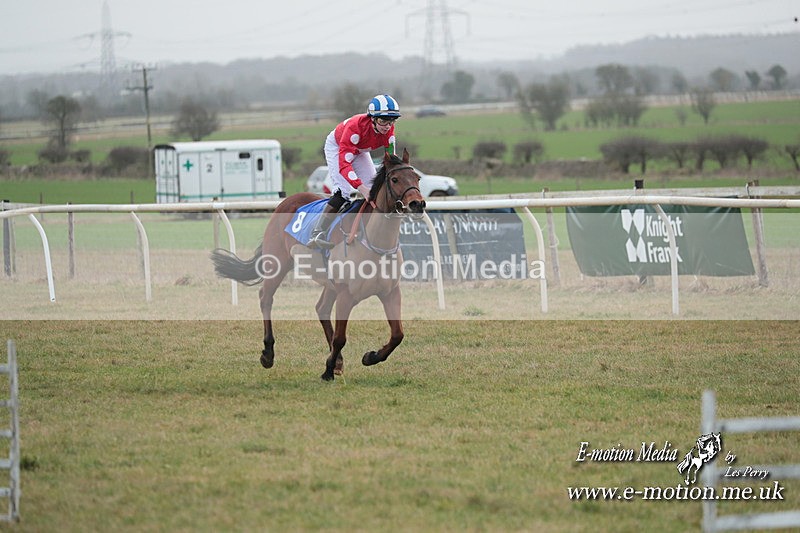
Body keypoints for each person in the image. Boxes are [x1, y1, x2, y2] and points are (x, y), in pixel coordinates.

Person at [308, 94, 401, 249]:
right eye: (383, 120)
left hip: (360, 150)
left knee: (375, 190)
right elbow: (344, 165)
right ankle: (317, 232)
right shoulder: (355, 128)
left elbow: (390, 160)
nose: (387, 126)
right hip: (338, 146)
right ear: (372, 119)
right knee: (343, 191)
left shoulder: (389, 131)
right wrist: (361, 188)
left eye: (392, 121)